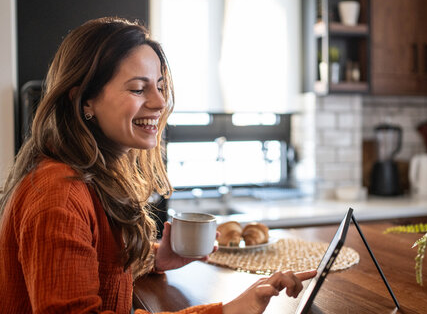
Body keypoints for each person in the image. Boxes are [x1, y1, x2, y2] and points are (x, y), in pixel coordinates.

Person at [0, 17, 316, 314]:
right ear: (85, 101)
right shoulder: (60, 196)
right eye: (138, 89)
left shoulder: (87, 175)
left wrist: (153, 258)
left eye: (160, 86)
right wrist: (229, 310)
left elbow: (93, 261)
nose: (160, 102)